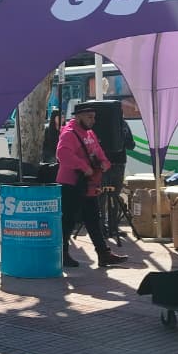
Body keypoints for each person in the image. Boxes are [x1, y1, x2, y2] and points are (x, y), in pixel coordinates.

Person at [56, 105, 128, 269]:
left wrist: (105, 163)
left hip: (87, 184)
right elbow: (62, 154)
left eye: (94, 117)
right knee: (68, 221)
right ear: (78, 116)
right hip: (71, 184)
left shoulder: (89, 134)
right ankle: (62, 254)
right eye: (89, 117)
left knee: (93, 219)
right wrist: (84, 167)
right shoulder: (69, 134)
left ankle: (104, 254)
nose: (93, 120)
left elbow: (99, 152)